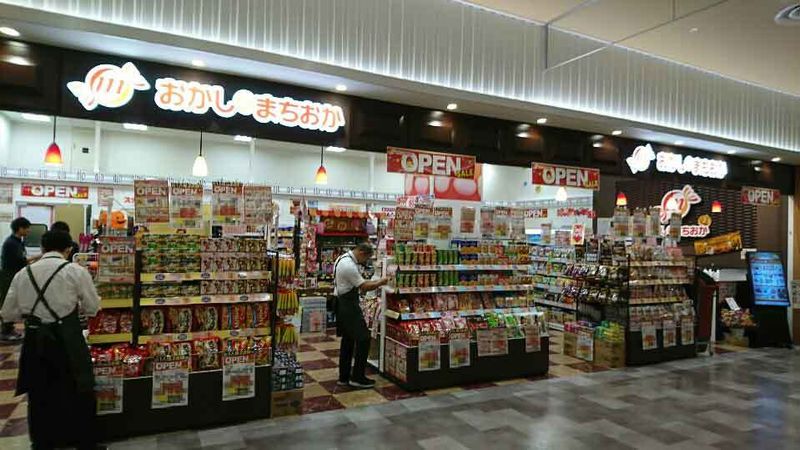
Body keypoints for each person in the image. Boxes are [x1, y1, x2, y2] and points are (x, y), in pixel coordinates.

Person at [0, 230, 101, 450]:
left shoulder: (23, 273)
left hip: (35, 339)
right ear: (68, 249)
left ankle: (42, 442)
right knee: (79, 390)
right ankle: (84, 442)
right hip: (68, 339)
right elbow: (92, 307)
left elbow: (8, 313)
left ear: (42, 248)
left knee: (39, 394)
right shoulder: (75, 271)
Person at [333, 242, 388, 388]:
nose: (365, 261)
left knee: (348, 340)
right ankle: (358, 377)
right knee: (364, 338)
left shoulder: (342, 258)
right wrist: (381, 282)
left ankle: (344, 377)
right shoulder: (349, 265)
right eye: (366, 258)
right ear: (362, 253)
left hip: (342, 303)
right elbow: (364, 286)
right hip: (348, 306)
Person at [0, 217, 31, 341]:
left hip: (15, 274)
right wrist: (39, 257)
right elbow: (20, 260)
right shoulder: (11, 243)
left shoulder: (18, 242)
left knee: (13, 302)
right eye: (27, 228)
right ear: (20, 228)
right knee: (7, 302)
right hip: (9, 275)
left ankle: (9, 328)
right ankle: (5, 330)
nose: (28, 231)